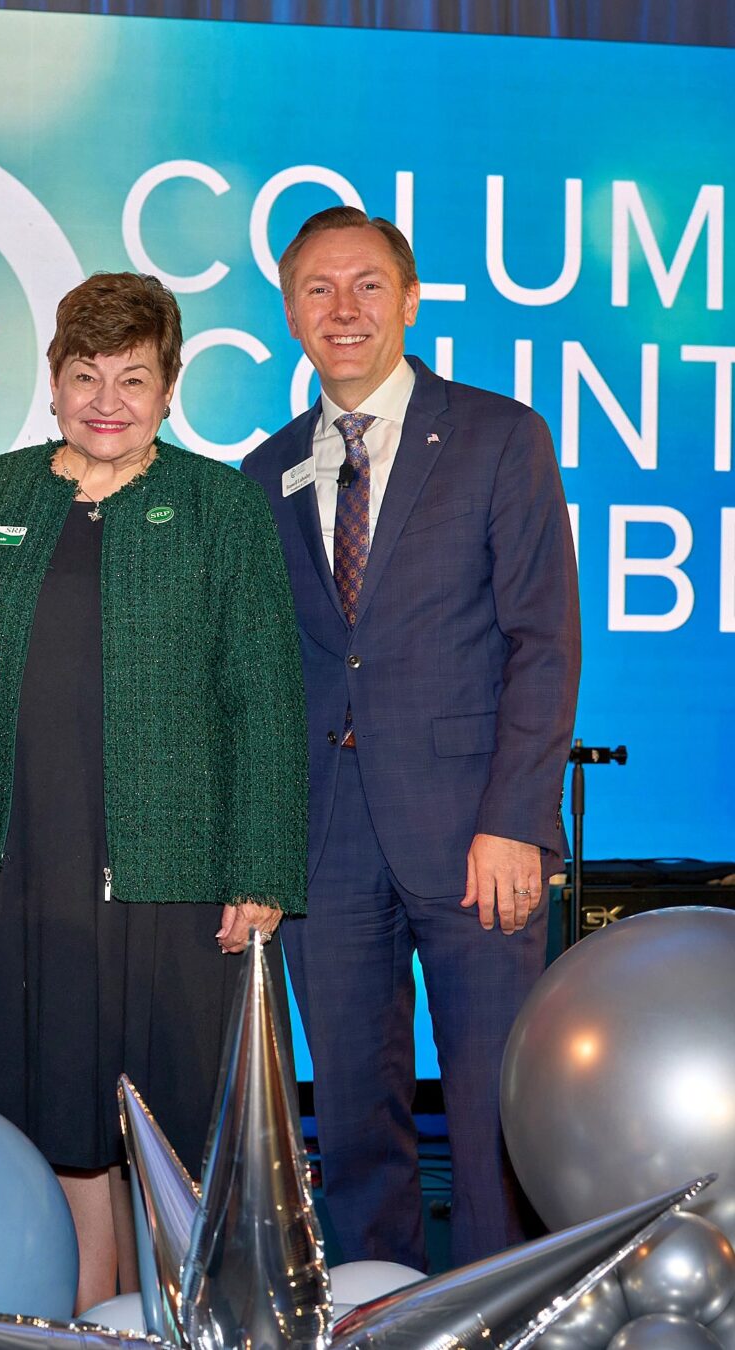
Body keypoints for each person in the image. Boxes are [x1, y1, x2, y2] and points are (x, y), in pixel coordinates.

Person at [0, 272, 307, 1313]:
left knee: (164, 1123)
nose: (105, 399)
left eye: (131, 378)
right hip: (18, 853)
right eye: (84, 375)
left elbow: (264, 698)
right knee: (51, 1111)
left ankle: (180, 1316)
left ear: (168, 386)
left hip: (169, 865)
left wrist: (260, 868)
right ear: (50, 381)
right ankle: (97, 1317)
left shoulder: (220, 505)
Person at [242, 206, 580, 1269]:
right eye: (316, 289)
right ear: (287, 311)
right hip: (322, 846)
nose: (342, 310)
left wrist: (514, 821)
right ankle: (378, 1312)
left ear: (410, 298)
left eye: (366, 285)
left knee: (493, 1109)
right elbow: (266, 673)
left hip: (472, 835)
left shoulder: (495, 436)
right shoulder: (263, 470)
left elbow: (542, 640)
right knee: (348, 1118)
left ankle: (509, 1315)